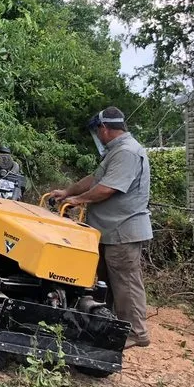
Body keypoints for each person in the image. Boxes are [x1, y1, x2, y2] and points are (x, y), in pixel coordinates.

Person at [49, 107, 152, 348]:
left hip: (123, 231)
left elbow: (108, 188)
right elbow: (96, 180)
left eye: (98, 131)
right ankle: (114, 326)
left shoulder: (127, 152)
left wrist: (78, 200)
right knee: (109, 282)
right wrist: (67, 192)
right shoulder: (115, 152)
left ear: (104, 128)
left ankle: (136, 333)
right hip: (108, 231)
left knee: (126, 283)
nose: (98, 136)